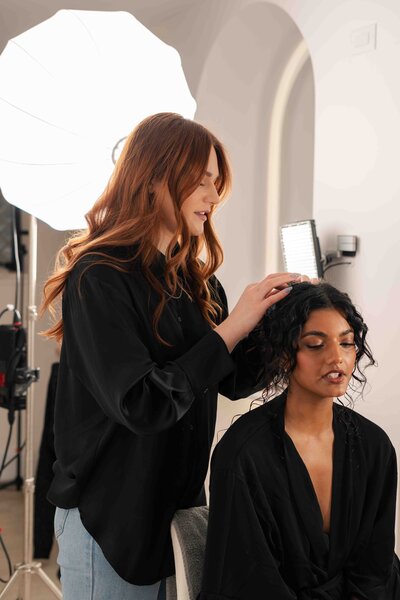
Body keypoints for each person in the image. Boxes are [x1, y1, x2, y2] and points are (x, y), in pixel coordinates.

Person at [41, 112, 300, 600]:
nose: (212, 195)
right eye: (200, 181)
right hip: (109, 518)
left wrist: (281, 323)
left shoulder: (198, 282)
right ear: (155, 177)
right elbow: (143, 402)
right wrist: (231, 328)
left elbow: (234, 380)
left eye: (216, 182)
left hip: (176, 515)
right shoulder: (100, 276)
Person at [199, 281, 400, 600]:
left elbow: (374, 573)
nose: (337, 358)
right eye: (316, 344)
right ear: (282, 355)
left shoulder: (374, 447)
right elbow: (247, 581)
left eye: (346, 343)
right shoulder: (242, 454)